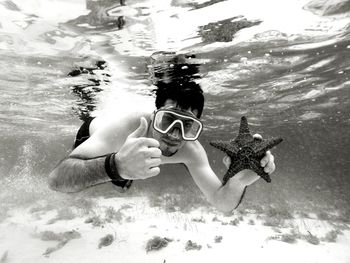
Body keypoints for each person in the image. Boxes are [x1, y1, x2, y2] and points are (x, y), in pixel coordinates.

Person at [48, 81, 276, 212]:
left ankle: (123, 175)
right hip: (92, 131)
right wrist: (115, 166)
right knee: (108, 178)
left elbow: (222, 202)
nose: (175, 135)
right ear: (154, 115)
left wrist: (239, 181)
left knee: (123, 183)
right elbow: (57, 179)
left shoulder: (192, 151)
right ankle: (120, 170)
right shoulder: (125, 128)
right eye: (168, 119)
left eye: (188, 125)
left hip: (129, 158)